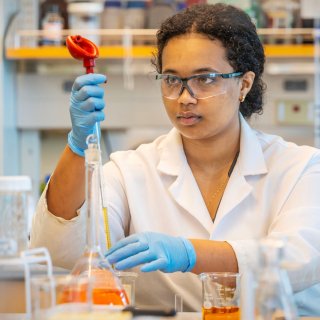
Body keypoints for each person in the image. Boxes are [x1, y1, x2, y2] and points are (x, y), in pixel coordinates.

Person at [30, 3, 320, 315]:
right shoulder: (131, 171)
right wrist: (77, 145)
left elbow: (300, 258)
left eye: (205, 79)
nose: (184, 97)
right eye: (171, 79)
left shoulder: (299, 168)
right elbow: (64, 252)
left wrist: (189, 253)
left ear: (244, 84)